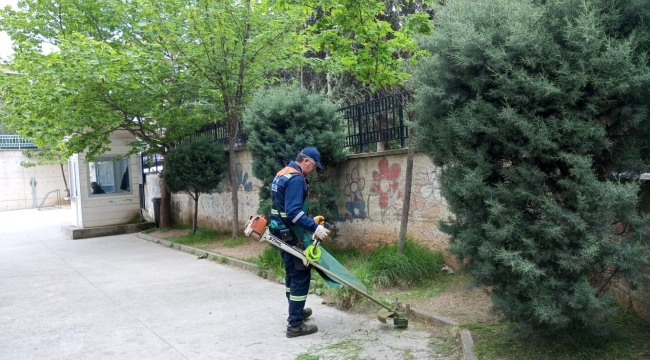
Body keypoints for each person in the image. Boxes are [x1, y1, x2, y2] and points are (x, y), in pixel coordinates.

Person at [270, 147, 331, 338]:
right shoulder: (296, 178)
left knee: (291, 272)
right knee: (300, 274)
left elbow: (284, 208)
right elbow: (293, 212)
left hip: (279, 230)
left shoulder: (282, 173)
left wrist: (310, 220)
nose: (313, 170)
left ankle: (294, 311)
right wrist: (315, 228)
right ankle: (295, 325)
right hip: (290, 233)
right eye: (314, 166)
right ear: (307, 161)